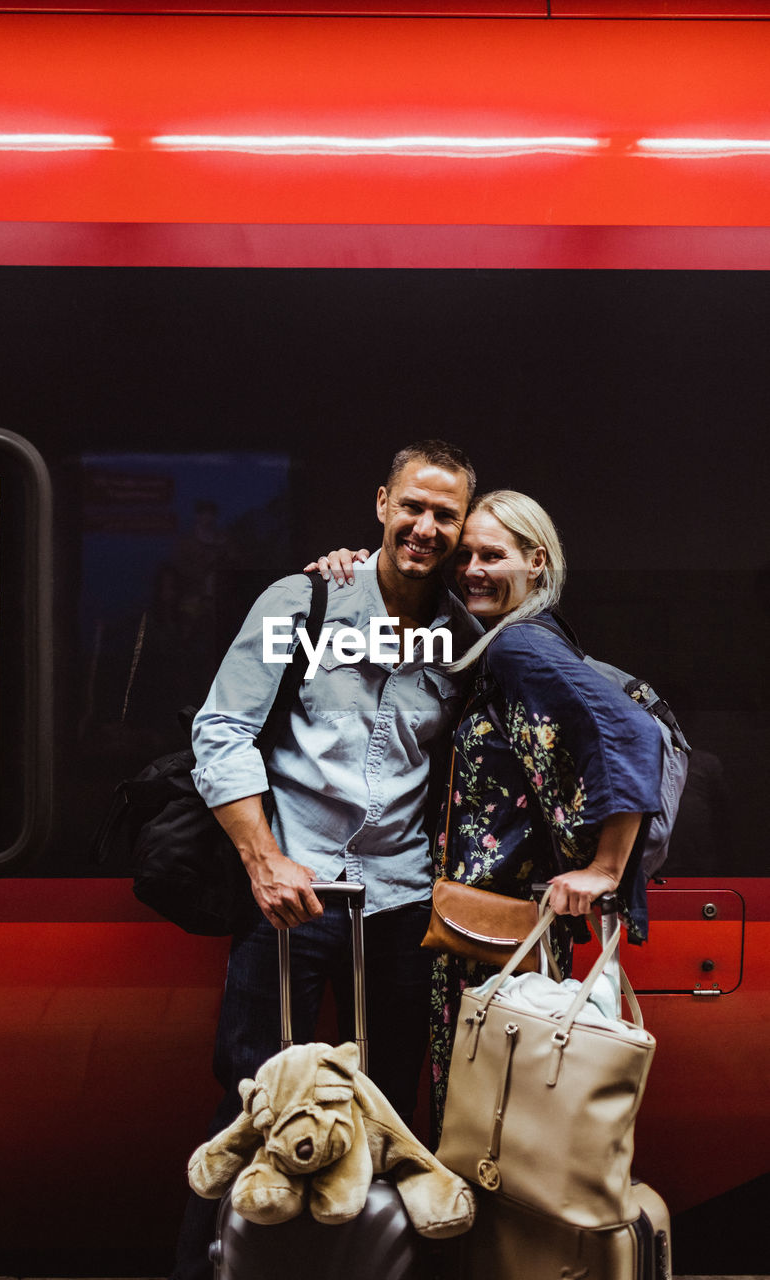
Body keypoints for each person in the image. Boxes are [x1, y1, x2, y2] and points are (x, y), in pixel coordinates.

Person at [171, 440, 482, 1280]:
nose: (424, 526)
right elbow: (221, 730)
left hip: (402, 904)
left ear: (459, 528)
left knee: (389, 1108)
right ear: (381, 503)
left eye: (443, 514)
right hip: (293, 895)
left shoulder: (463, 632)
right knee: (250, 1100)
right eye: (410, 506)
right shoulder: (303, 599)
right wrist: (263, 860)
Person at [311, 489, 663, 1135]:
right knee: (503, 1123)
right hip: (498, 934)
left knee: (485, 1123)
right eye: (465, 554)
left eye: (492, 555)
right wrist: (355, 573)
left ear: (535, 561)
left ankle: (482, 1238)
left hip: (492, 944)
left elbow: (629, 732)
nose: (471, 568)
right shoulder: (508, 639)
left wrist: (607, 869)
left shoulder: (517, 647)